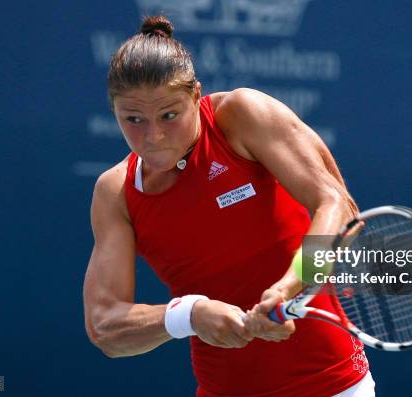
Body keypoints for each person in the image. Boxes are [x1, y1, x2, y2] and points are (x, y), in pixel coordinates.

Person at [83, 15, 376, 397]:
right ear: (115, 114)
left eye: (169, 115)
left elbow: (336, 204)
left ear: (195, 95)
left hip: (334, 384)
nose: (153, 135)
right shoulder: (116, 192)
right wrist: (189, 314)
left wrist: (291, 284)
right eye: (133, 119)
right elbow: (105, 326)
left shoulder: (241, 116)